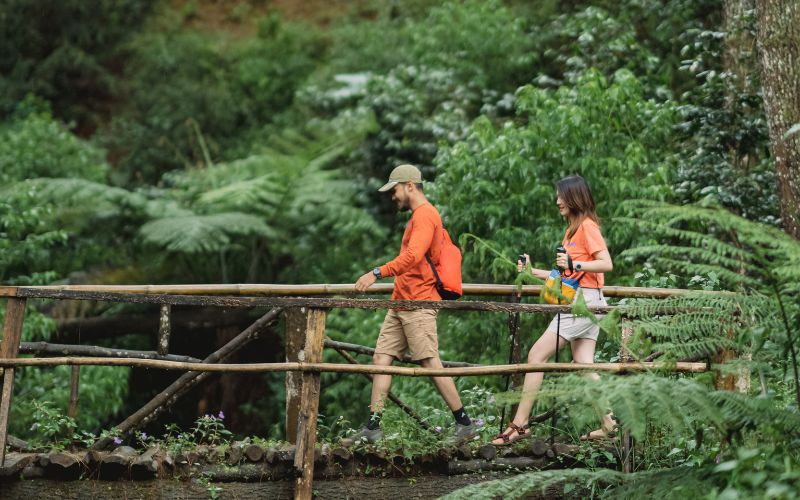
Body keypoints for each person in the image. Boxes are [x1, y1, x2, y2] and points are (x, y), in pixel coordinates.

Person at [342, 164, 477, 446]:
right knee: (382, 358)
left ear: (409, 186)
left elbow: (413, 257)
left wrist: (376, 273)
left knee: (429, 361)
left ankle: (464, 424)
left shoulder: (426, 215)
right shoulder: (418, 216)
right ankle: (372, 428)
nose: (393, 196)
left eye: (395, 190)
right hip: (401, 302)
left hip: (419, 301)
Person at [491, 174, 615, 446]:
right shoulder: (571, 230)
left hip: (585, 302)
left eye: (561, 195)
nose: (557, 200)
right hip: (586, 299)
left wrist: (576, 265)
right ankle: (609, 424)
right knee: (584, 364)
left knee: (536, 354)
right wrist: (531, 270)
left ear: (574, 197)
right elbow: (564, 273)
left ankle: (520, 423)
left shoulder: (587, 227)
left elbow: (606, 263)